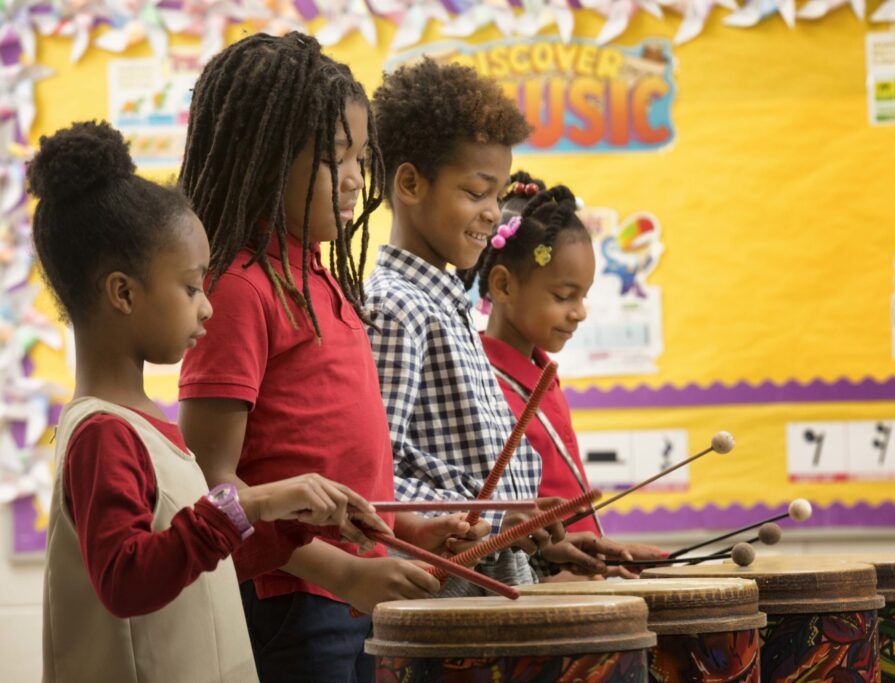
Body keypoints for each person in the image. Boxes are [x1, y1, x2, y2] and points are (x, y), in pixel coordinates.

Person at [33, 120, 385, 682]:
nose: (208, 308)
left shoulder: (145, 428)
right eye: (192, 287)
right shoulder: (103, 434)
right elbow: (126, 579)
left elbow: (200, 566)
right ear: (122, 292)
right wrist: (252, 505)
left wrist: (294, 523)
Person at [177, 34, 481, 682]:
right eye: (332, 157)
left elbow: (340, 470)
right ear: (261, 159)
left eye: (359, 156)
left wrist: (400, 527)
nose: (354, 177)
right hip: (292, 603)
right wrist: (342, 567)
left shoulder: (326, 280)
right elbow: (209, 487)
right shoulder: (237, 288)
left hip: (352, 589)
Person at [368, 59, 624, 593]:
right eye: (475, 192)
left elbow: (454, 470)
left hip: (494, 584)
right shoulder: (396, 308)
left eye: (497, 193)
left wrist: (528, 525)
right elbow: (376, 480)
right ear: (411, 184)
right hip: (447, 602)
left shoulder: (447, 304)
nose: (492, 213)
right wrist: (486, 515)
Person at [463, 175, 670, 581]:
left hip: (575, 585)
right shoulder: (482, 383)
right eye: (563, 296)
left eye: (584, 296)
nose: (579, 312)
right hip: (537, 593)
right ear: (503, 285)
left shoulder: (542, 374)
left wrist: (610, 559)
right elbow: (499, 524)